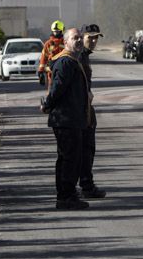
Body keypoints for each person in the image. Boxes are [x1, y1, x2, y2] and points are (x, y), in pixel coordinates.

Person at [40, 28, 92, 210]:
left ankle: (66, 194)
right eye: (74, 38)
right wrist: (47, 104)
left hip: (71, 118)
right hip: (65, 120)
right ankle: (66, 197)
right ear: (66, 42)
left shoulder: (72, 60)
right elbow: (57, 89)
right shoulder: (66, 62)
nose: (78, 41)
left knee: (68, 158)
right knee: (70, 159)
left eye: (79, 38)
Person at [77, 23, 107, 198]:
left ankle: (86, 184)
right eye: (90, 37)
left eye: (96, 38)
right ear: (82, 37)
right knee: (84, 151)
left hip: (85, 109)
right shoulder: (79, 56)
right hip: (80, 111)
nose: (94, 41)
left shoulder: (84, 56)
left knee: (87, 150)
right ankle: (85, 187)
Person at [38, 20, 66, 87]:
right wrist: (41, 72)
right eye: (54, 31)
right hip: (52, 73)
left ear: (62, 31)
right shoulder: (49, 44)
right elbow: (44, 57)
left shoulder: (66, 42)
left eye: (58, 31)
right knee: (52, 92)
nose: (56, 33)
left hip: (65, 71)